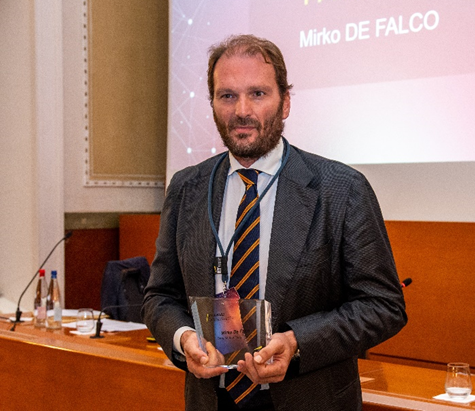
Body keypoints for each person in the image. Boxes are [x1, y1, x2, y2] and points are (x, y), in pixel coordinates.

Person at [142, 34, 407, 411]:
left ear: (285, 103)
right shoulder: (187, 188)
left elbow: (384, 306)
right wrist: (185, 339)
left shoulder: (342, 189)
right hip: (212, 399)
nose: (242, 110)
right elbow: (159, 297)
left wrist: (297, 342)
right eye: (227, 95)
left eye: (258, 94)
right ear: (213, 104)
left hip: (308, 399)